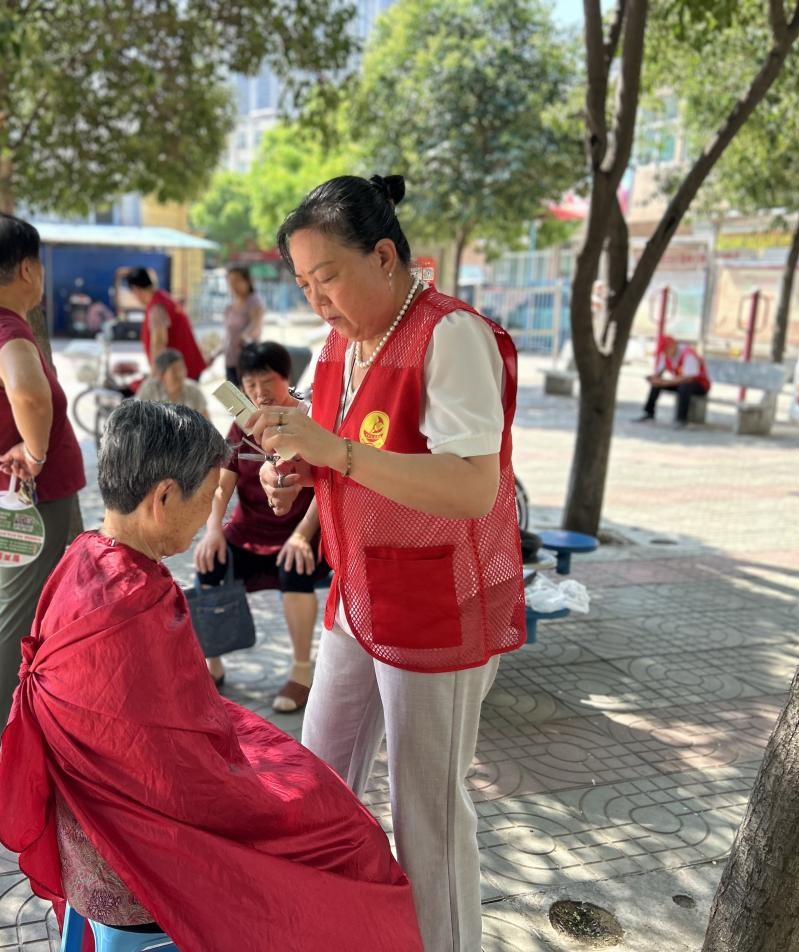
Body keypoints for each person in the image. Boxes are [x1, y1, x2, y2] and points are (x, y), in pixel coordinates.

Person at [0, 400, 423, 951]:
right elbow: (182, 773)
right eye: (209, 496)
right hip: (134, 846)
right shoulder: (137, 604)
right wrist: (272, 796)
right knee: (344, 837)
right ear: (164, 497)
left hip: (94, 819)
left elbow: (163, 736)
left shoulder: (81, 555)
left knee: (294, 774)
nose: (212, 512)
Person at [250, 174, 526, 952]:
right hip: (360, 591)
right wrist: (298, 473)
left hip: (436, 602)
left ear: (382, 257)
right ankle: (325, 929)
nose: (317, 301)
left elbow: (472, 486)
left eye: (327, 277)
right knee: (317, 774)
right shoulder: (341, 344)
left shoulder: (450, 335)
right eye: (304, 285)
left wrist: (335, 453)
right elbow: (338, 454)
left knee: (425, 814)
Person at [0, 213, 86, 753]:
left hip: (15, 495)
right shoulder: (6, 332)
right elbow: (29, 394)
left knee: (45, 601)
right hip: (31, 498)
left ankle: (47, 703)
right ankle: (4, 728)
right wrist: (36, 451)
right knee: (21, 607)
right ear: (28, 269)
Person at [195, 341, 327, 712]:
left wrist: (302, 536)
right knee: (210, 564)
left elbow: (328, 487)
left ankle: (301, 673)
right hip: (249, 532)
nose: (259, 392)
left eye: (268, 381)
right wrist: (213, 531)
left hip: (301, 531)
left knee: (294, 569)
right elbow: (222, 485)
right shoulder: (242, 426)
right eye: (251, 384)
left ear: (287, 378)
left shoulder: (311, 420)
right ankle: (212, 665)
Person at [124, 266, 207, 381]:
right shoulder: (164, 298)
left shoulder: (157, 307)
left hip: (179, 373)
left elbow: (159, 342)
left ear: (136, 289)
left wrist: (155, 374)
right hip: (187, 367)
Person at [636, 335, 711, 428]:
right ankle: (649, 413)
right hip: (680, 382)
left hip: (699, 385)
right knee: (656, 384)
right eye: (663, 350)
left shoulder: (688, 354)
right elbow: (658, 372)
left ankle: (681, 419)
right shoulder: (665, 355)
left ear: (673, 345)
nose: (665, 352)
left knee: (685, 386)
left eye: (666, 349)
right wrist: (654, 379)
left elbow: (689, 378)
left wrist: (665, 382)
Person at [134, 348, 210, 417]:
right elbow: (136, 415)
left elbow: (206, 421)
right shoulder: (150, 389)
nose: (180, 374)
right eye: (174, 371)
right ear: (162, 376)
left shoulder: (193, 391)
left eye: (181, 368)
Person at [222, 266, 265, 386]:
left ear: (247, 281)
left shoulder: (254, 301)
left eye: (237, 281)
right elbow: (228, 336)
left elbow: (256, 326)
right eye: (230, 282)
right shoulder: (231, 306)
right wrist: (214, 354)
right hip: (230, 360)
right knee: (232, 396)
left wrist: (245, 336)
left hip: (247, 361)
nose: (233, 285)